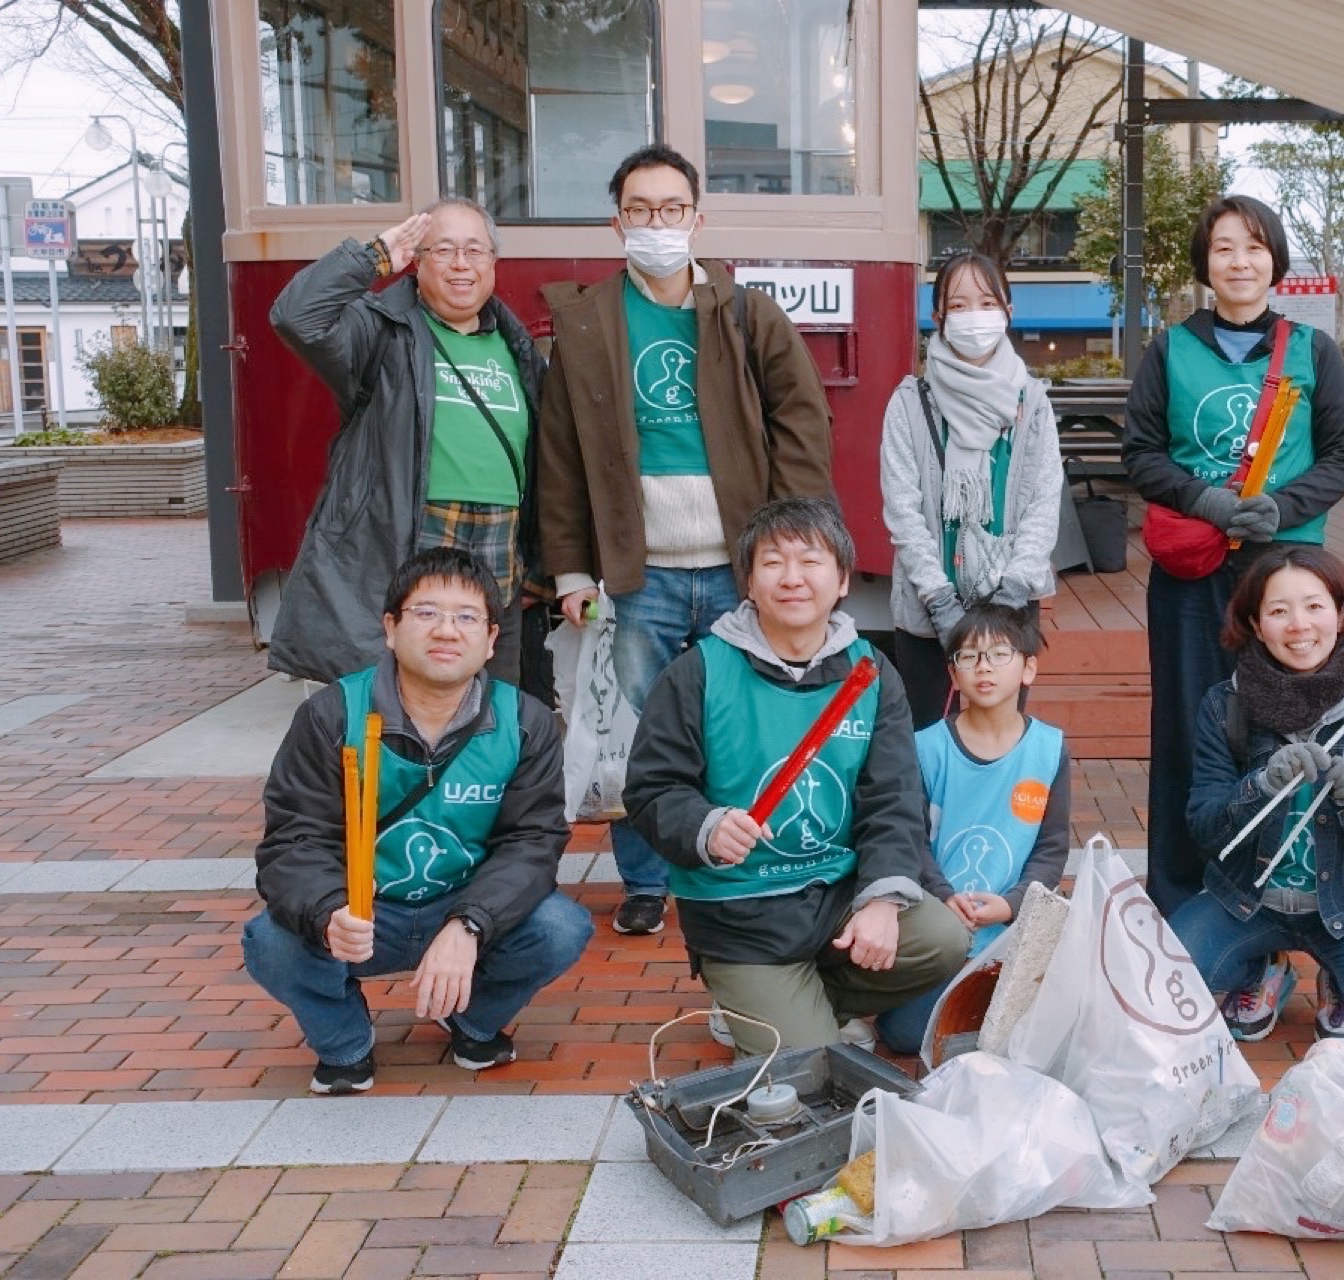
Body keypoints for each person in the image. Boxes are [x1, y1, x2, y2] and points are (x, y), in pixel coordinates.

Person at [538, 143, 835, 938]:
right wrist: (571, 569)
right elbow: (559, 454)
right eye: (640, 210)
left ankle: (745, 854)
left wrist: (794, 548)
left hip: (740, 568)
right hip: (640, 576)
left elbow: (801, 427)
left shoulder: (747, 315)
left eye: (672, 210)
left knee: (743, 718)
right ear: (617, 222)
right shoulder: (588, 322)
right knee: (643, 729)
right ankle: (646, 876)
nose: (657, 224)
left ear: (697, 220)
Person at [622, 498, 970, 1055]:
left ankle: (804, 1003)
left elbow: (895, 797)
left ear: (841, 581)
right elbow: (650, 789)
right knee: (810, 1069)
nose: (792, 579)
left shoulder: (872, 673)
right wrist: (706, 828)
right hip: (741, 913)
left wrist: (881, 900)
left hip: (837, 894)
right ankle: (761, 1005)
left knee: (943, 939)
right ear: (750, 582)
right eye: (772, 563)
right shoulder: (699, 672)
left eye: (810, 562)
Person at [243, 548, 594, 1095]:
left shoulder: (525, 722)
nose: (446, 631)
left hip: (460, 908)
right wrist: (328, 912)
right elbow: (293, 839)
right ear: (391, 628)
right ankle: (344, 1043)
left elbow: (533, 843)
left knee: (560, 928)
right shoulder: (333, 714)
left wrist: (472, 923)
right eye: (426, 613)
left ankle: (471, 1020)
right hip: (362, 915)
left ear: (491, 637)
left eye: (466, 616)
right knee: (271, 941)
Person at [1122, 195, 1344, 917]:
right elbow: (1139, 451)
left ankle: (1277, 887)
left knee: (1283, 724)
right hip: (1191, 572)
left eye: (1253, 247)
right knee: (1185, 722)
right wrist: (1207, 501)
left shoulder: (1312, 351)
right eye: (1223, 247)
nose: (1238, 261)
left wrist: (1282, 508)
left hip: (1283, 571)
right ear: (1205, 263)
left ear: (1275, 261)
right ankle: (1178, 892)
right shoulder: (1169, 349)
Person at [268, 198, 543, 688]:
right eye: (443, 249)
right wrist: (370, 258)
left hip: (501, 540)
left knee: (493, 693)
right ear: (417, 260)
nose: (462, 263)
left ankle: (477, 768)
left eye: (475, 250)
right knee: (411, 687)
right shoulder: (381, 330)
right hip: (413, 533)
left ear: (494, 263)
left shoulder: (516, 344)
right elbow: (296, 316)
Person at [1171, 546, 1344, 1042]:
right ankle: (1262, 968)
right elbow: (1204, 827)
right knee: (1170, 977)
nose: (1299, 625)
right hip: (1247, 897)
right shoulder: (1226, 704)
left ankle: (1341, 979)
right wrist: (1260, 786)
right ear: (1254, 621)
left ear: (1342, 611)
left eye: (1314, 606)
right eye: (1278, 610)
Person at [875, 603, 1072, 1055]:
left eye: (999, 654)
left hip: (1011, 927)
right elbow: (912, 840)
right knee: (905, 1035)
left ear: (1028, 669)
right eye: (969, 656)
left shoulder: (1048, 749)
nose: (984, 667)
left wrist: (1011, 904)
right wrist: (944, 895)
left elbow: (1051, 848)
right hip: (940, 925)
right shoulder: (926, 748)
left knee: (1049, 1025)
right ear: (953, 673)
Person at [879, 253, 1064, 728]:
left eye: (986, 301)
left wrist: (1012, 593)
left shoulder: (1032, 400)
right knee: (926, 739)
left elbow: (1044, 499)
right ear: (938, 317)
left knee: (1000, 740)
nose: (974, 316)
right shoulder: (909, 403)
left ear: (1008, 310)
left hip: (1011, 605)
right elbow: (902, 509)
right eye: (958, 305)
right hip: (927, 611)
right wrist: (939, 601)